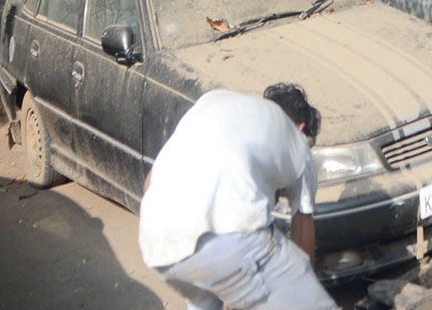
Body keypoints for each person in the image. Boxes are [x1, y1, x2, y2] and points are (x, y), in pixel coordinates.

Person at [138, 86, 337, 310]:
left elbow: (149, 183)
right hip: (225, 239)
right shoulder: (295, 139)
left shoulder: (215, 106)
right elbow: (303, 223)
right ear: (300, 127)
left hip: (158, 241)